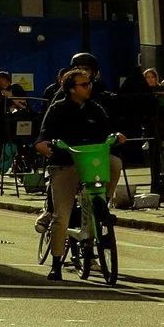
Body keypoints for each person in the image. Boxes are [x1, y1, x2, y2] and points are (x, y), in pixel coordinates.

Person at [35, 67, 122, 280]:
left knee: (115, 163)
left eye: (89, 83)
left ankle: (104, 201)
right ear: (71, 89)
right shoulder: (58, 109)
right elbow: (43, 137)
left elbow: (109, 131)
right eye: (84, 84)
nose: (89, 87)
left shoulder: (95, 108)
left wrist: (117, 136)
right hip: (65, 164)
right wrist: (43, 145)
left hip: (92, 163)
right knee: (62, 216)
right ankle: (56, 263)